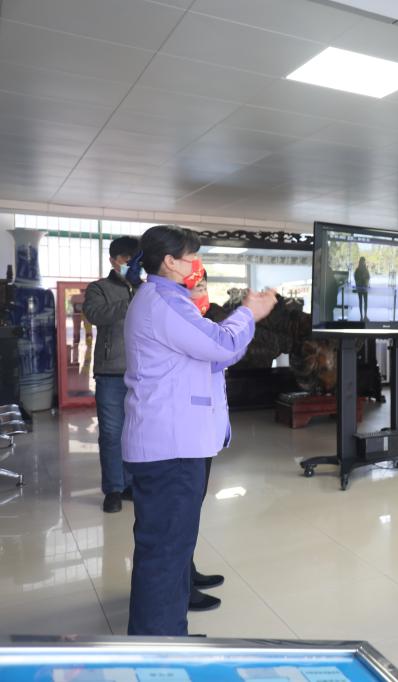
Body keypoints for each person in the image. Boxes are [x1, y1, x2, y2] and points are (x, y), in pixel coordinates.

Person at [122, 225, 276, 636]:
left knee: (170, 547)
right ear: (170, 261)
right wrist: (249, 313)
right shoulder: (165, 302)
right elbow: (222, 345)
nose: (197, 264)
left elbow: (210, 353)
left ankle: (168, 630)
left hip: (174, 441)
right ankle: (160, 647)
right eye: (191, 257)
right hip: (170, 446)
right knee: (165, 551)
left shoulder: (166, 299)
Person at [83, 236, 141, 513]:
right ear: (113, 260)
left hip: (143, 373)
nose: (131, 265)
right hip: (111, 372)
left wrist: (140, 289)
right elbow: (95, 314)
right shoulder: (99, 288)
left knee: (136, 432)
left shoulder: (147, 288)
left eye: (136, 260)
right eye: (126, 260)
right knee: (111, 433)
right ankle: (114, 489)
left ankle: (130, 483)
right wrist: (131, 298)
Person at [185, 272, 229, 613]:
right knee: (182, 512)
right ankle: (181, 586)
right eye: (196, 287)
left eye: (204, 286)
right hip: (187, 432)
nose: (202, 292)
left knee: (193, 506)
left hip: (205, 430)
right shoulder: (182, 324)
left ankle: (188, 571)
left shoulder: (203, 320)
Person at [354, 256, 370, 321]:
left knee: (365, 302)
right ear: (360, 261)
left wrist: (365, 280)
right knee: (360, 302)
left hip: (365, 288)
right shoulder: (357, 270)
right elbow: (355, 278)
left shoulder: (366, 269)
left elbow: (368, 277)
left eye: (364, 261)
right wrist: (360, 279)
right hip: (360, 288)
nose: (363, 262)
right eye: (363, 261)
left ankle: (365, 315)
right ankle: (361, 316)